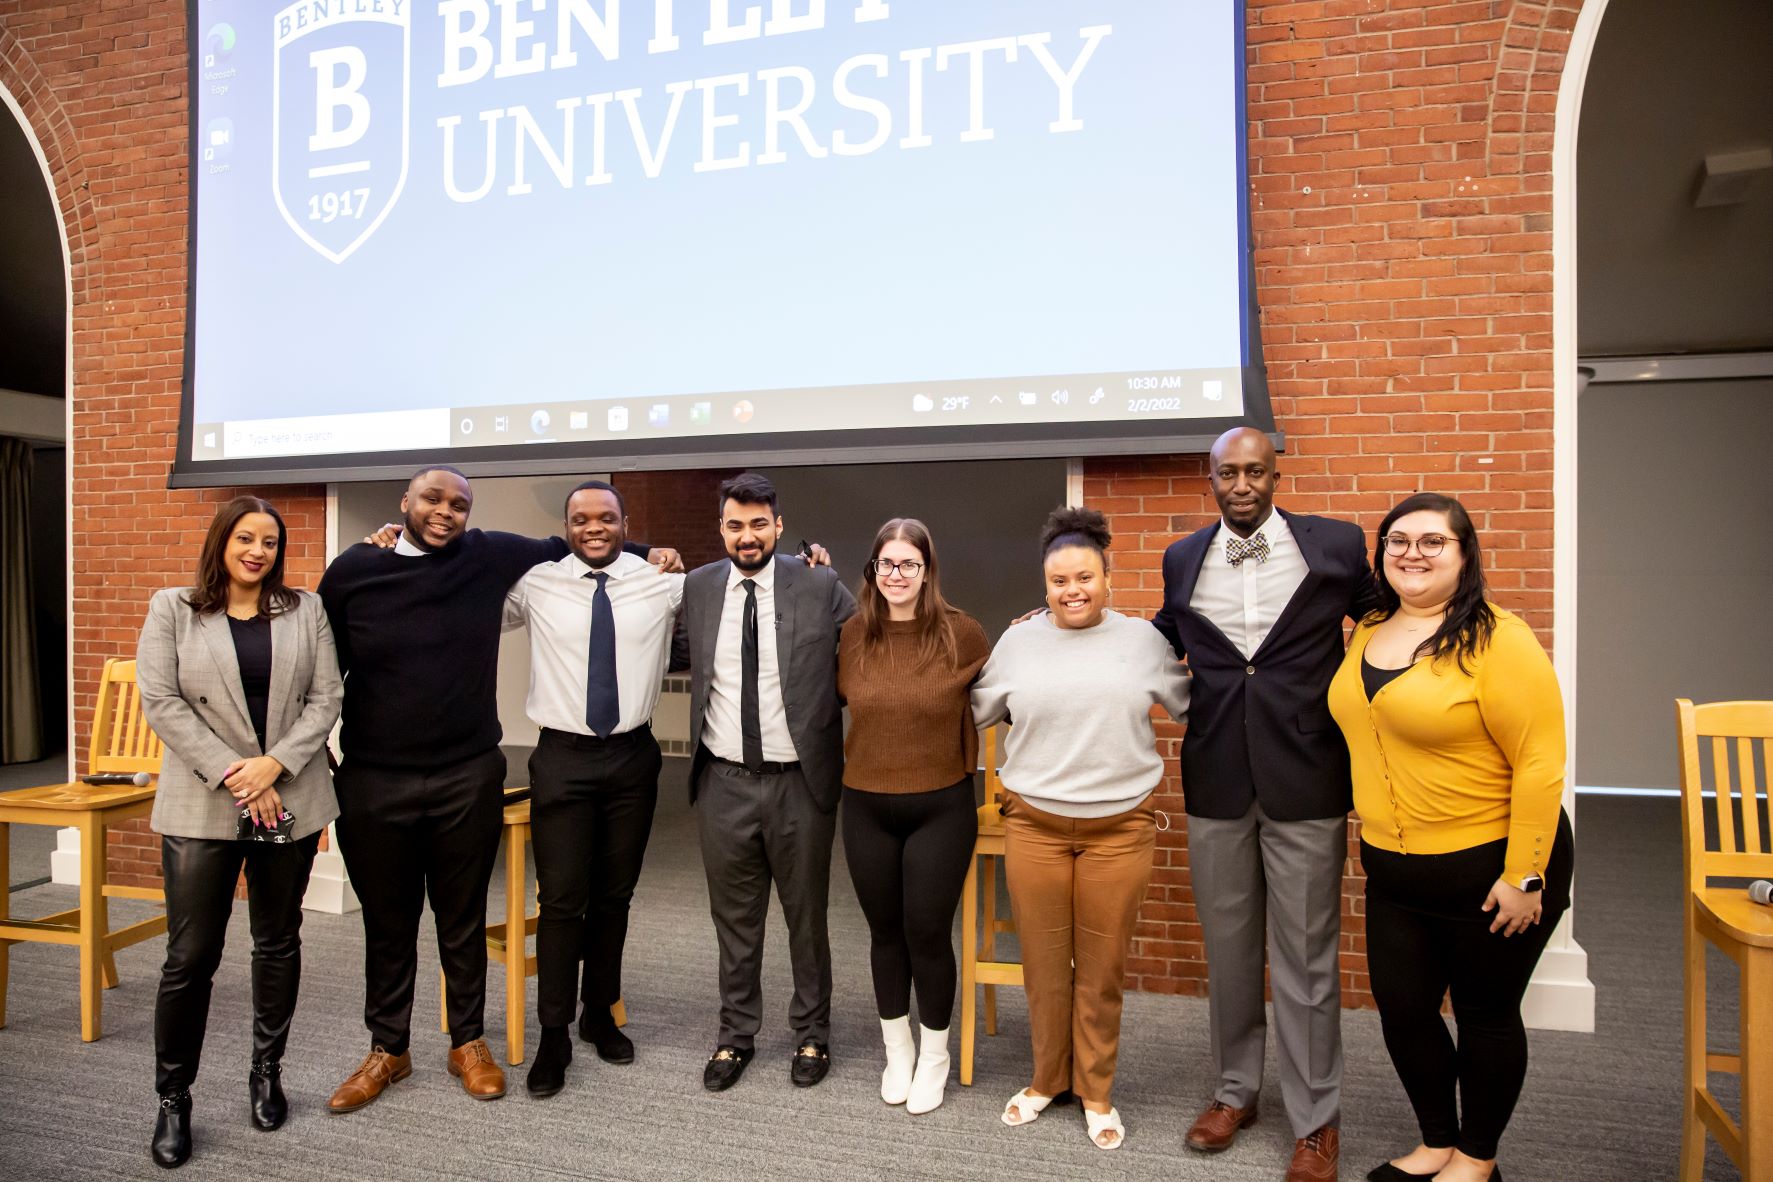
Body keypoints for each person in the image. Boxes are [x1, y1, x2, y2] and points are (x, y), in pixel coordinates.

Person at [317, 466, 677, 1113]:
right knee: (388, 922)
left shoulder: (485, 558)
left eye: (459, 503)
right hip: (375, 777)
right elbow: (317, 669)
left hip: (466, 772)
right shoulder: (352, 570)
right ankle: (386, 1050)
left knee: (462, 920)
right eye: (432, 499)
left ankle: (469, 1042)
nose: (445, 512)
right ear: (405, 503)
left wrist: (649, 551)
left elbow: (580, 543)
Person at [1152, 426, 1378, 1181]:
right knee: (1227, 951)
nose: (1241, 484)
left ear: (1275, 474)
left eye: (1254, 471)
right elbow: (1157, 638)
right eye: (1227, 473)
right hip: (1215, 777)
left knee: (1307, 958)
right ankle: (1233, 1091)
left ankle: (1315, 1121)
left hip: (1306, 774)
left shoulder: (1337, 547)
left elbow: (1385, 622)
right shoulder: (1182, 557)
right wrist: (1053, 629)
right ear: (1209, 478)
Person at [1327, 492, 1573, 1182]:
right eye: (1397, 540)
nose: (1412, 552)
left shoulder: (1499, 637)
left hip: (1492, 866)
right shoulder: (1370, 627)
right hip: (1395, 868)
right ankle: (1435, 1140)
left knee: (1484, 1015)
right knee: (1402, 1010)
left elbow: (1540, 762)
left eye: (1432, 541)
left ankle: (1476, 1157)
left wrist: (1525, 876)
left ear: (1464, 555)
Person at [972, 507, 1190, 1151]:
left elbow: (1191, 702)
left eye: (1085, 577)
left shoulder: (1144, 641)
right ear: (1044, 586)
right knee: (1042, 964)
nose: (1074, 591)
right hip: (1034, 827)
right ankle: (1046, 1080)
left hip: (1119, 831)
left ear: (1107, 576)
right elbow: (979, 706)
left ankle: (1095, 1089)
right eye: (1060, 581)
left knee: (1100, 968)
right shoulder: (1019, 641)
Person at [135, 496, 343, 1168]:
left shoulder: (305, 609)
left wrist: (273, 766)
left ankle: (266, 1072)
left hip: (290, 795)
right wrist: (235, 774)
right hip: (203, 803)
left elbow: (327, 696)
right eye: (246, 538)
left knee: (277, 941)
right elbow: (160, 700)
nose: (258, 551)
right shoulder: (173, 606)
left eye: (270, 542)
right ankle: (173, 1098)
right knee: (190, 957)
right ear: (222, 541)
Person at [500, 480, 685, 1097]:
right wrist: (396, 548)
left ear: (626, 523)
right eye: (581, 519)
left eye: (606, 517)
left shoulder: (659, 581)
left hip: (633, 757)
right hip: (563, 758)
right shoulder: (536, 582)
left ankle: (599, 1012)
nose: (594, 527)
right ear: (567, 526)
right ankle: (553, 1033)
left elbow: (737, 593)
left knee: (614, 896)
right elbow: (460, 597)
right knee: (561, 900)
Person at [683, 472, 857, 1091]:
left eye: (759, 524)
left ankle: (812, 1033)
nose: (747, 535)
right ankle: (735, 1037)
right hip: (724, 781)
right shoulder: (699, 588)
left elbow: (875, 640)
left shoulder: (818, 582)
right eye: (735, 524)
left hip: (798, 783)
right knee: (734, 918)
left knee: (805, 917)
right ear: (722, 529)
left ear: (778, 526)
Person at [837, 519, 989, 1115]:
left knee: (926, 932)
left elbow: (1010, 688)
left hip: (941, 806)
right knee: (884, 933)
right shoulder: (853, 635)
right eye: (886, 564)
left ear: (928, 571)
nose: (896, 575)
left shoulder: (963, 634)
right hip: (866, 805)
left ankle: (934, 1055)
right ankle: (896, 1050)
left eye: (909, 564)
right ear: (873, 571)